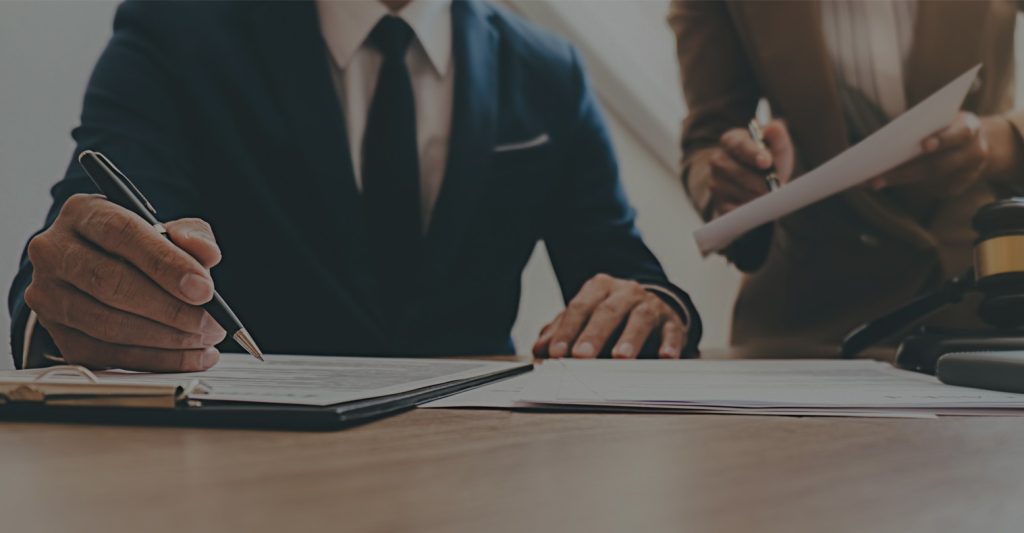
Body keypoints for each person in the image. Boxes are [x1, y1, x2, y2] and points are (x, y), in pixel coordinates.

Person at [7, 0, 701, 371]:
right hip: (236, 474)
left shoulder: (552, 69)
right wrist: (75, 305)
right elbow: (85, 234)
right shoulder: (174, 30)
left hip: (482, 469)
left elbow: (621, 270)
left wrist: (651, 303)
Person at [670, 0, 1024, 351]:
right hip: (809, 315)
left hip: (979, 298)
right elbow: (709, 139)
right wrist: (737, 178)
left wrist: (1004, 141)